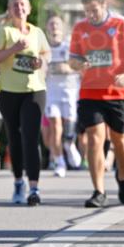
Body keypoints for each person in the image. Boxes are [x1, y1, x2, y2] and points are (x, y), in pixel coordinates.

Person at [69, 0, 124, 208]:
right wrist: (79, 65)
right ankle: (99, 191)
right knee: (94, 138)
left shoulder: (122, 25)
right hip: (90, 92)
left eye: (94, 10)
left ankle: (122, 176)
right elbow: (72, 59)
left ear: (104, 6)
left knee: (120, 140)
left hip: (118, 92)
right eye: (86, 11)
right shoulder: (80, 28)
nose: (90, 15)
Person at [0, 0, 50, 206]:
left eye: (23, 4)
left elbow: (45, 54)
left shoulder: (38, 32)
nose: (19, 8)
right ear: (9, 9)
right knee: (14, 137)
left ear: (29, 9)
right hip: (9, 92)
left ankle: (34, 188)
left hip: (35, 90)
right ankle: (17, 181)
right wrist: (13, 50)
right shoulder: (3, 32)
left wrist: (42, 61)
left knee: (31, 138)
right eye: (15, 5)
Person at [44, 15, 81, 177]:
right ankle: (59, 162)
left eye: (57, 24)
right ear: (47, 28)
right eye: (51, 24)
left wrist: (68, 69)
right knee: (55, 127)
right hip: (51, 92)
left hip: (70, 91)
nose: (54, 27)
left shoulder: (70, 46)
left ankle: (69, 144)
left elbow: (81, 67)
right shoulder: (43, 48)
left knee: (68, 128)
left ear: (62, 28)